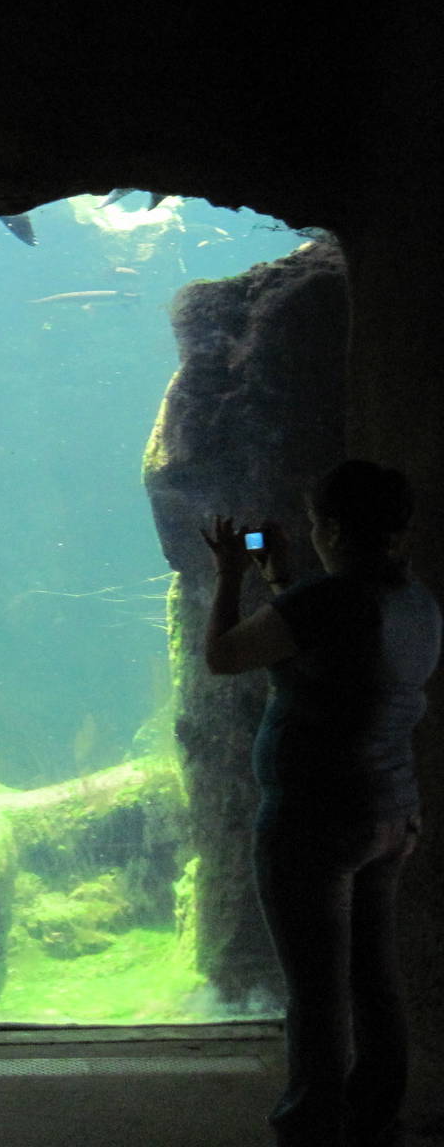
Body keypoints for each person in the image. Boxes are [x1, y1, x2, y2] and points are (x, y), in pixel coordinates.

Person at [203, 460, 442, 1147]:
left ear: (333, 528)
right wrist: (282, 580)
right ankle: (376, 1117)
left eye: (315, 525)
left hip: (318, 820)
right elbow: (331, 648)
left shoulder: (327, 599)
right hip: (392, 812)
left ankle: (310, 1125)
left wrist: (231, 575)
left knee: (317, 988)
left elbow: (224, 656)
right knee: (375, 976)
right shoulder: (416, 601)